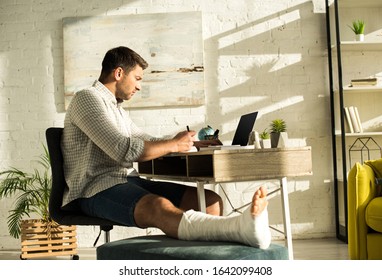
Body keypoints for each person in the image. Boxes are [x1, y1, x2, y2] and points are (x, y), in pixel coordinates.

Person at [61, 46, 271, 249]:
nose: (139, 86)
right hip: (94, 189)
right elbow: (122, 149)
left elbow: (146, 139)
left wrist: (188, 143)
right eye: (137, 78)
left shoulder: (117, 109)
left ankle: (205, 258)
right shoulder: (87, 98)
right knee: (157, 206)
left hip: (128, 180)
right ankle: (239, 229)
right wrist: (173, 144)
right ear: (118, 73)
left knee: (209, 201)